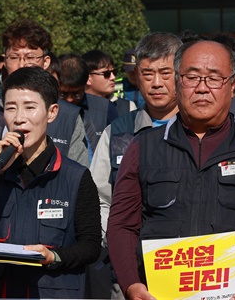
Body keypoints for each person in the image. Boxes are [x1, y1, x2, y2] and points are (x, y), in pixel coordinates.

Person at [107, 39, 235, 300]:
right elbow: (122, 225)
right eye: (192, 77)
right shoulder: (143, 147)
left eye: (214, 78)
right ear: (177, 82)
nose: (202, 88)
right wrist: (131, 284)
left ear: (232, 85)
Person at [0, 67, 101, 298]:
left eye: (29, 107)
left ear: (51, 112)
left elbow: (90, 246)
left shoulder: (75, 176)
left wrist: (54, 256)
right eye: (10, 108)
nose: (19, 118)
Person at [89, 32, 182, 299]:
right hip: (130, 273)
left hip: (190, 266)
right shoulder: (117, 132)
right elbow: (100, 200)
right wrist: (119, 246)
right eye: (146, 73)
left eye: (165, 73)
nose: (156, 83)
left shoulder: (199, 129)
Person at [2, 19, 89, 167]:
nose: (22, 64)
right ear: (5, 61)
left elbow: (80, 175)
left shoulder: (68, 115)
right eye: (14, 57)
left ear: (46, 61)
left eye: (30, 57)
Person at [58, 53, 118, 153]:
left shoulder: (106, 108)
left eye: (76, 94)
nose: (70, 99)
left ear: (85, 83)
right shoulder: (46, 108)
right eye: (63, 94)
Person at [82, 49, 136, 116]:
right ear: (88, 78)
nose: (113, 77)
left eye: (114, 72)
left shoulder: (128, 108)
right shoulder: (73, 108)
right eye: (106, 74)